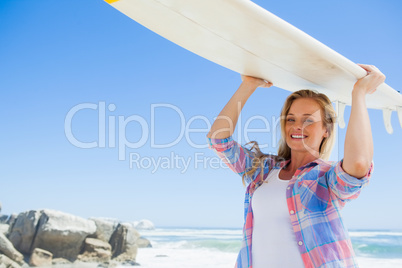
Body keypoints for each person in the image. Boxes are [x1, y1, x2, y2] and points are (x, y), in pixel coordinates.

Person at [206, 64, 386, 268]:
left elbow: (360, 162)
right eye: (290, 119)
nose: (297, 126)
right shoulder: (263, 171)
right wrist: (249, 85)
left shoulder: (325, 177)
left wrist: (359, 94)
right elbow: (218, 140)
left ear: (326, 129)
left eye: (308, 120)